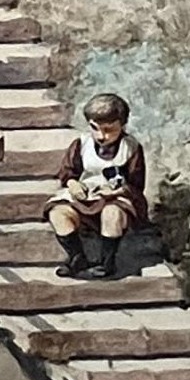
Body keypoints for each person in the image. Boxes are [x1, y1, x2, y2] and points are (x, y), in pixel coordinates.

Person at [47, 91, 148, 281]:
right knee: (58, 212)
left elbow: (136, 184)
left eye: (109, 130)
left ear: (122, 125)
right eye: (95, 128)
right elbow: (68, 171)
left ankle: (106, 263)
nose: (101, 136)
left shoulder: (131, 147)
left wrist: (117, 190)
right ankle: (77, 258)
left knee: (112, 213)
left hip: (116, 197)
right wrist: (73, 184)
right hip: (87, 195)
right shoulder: (82, 143)